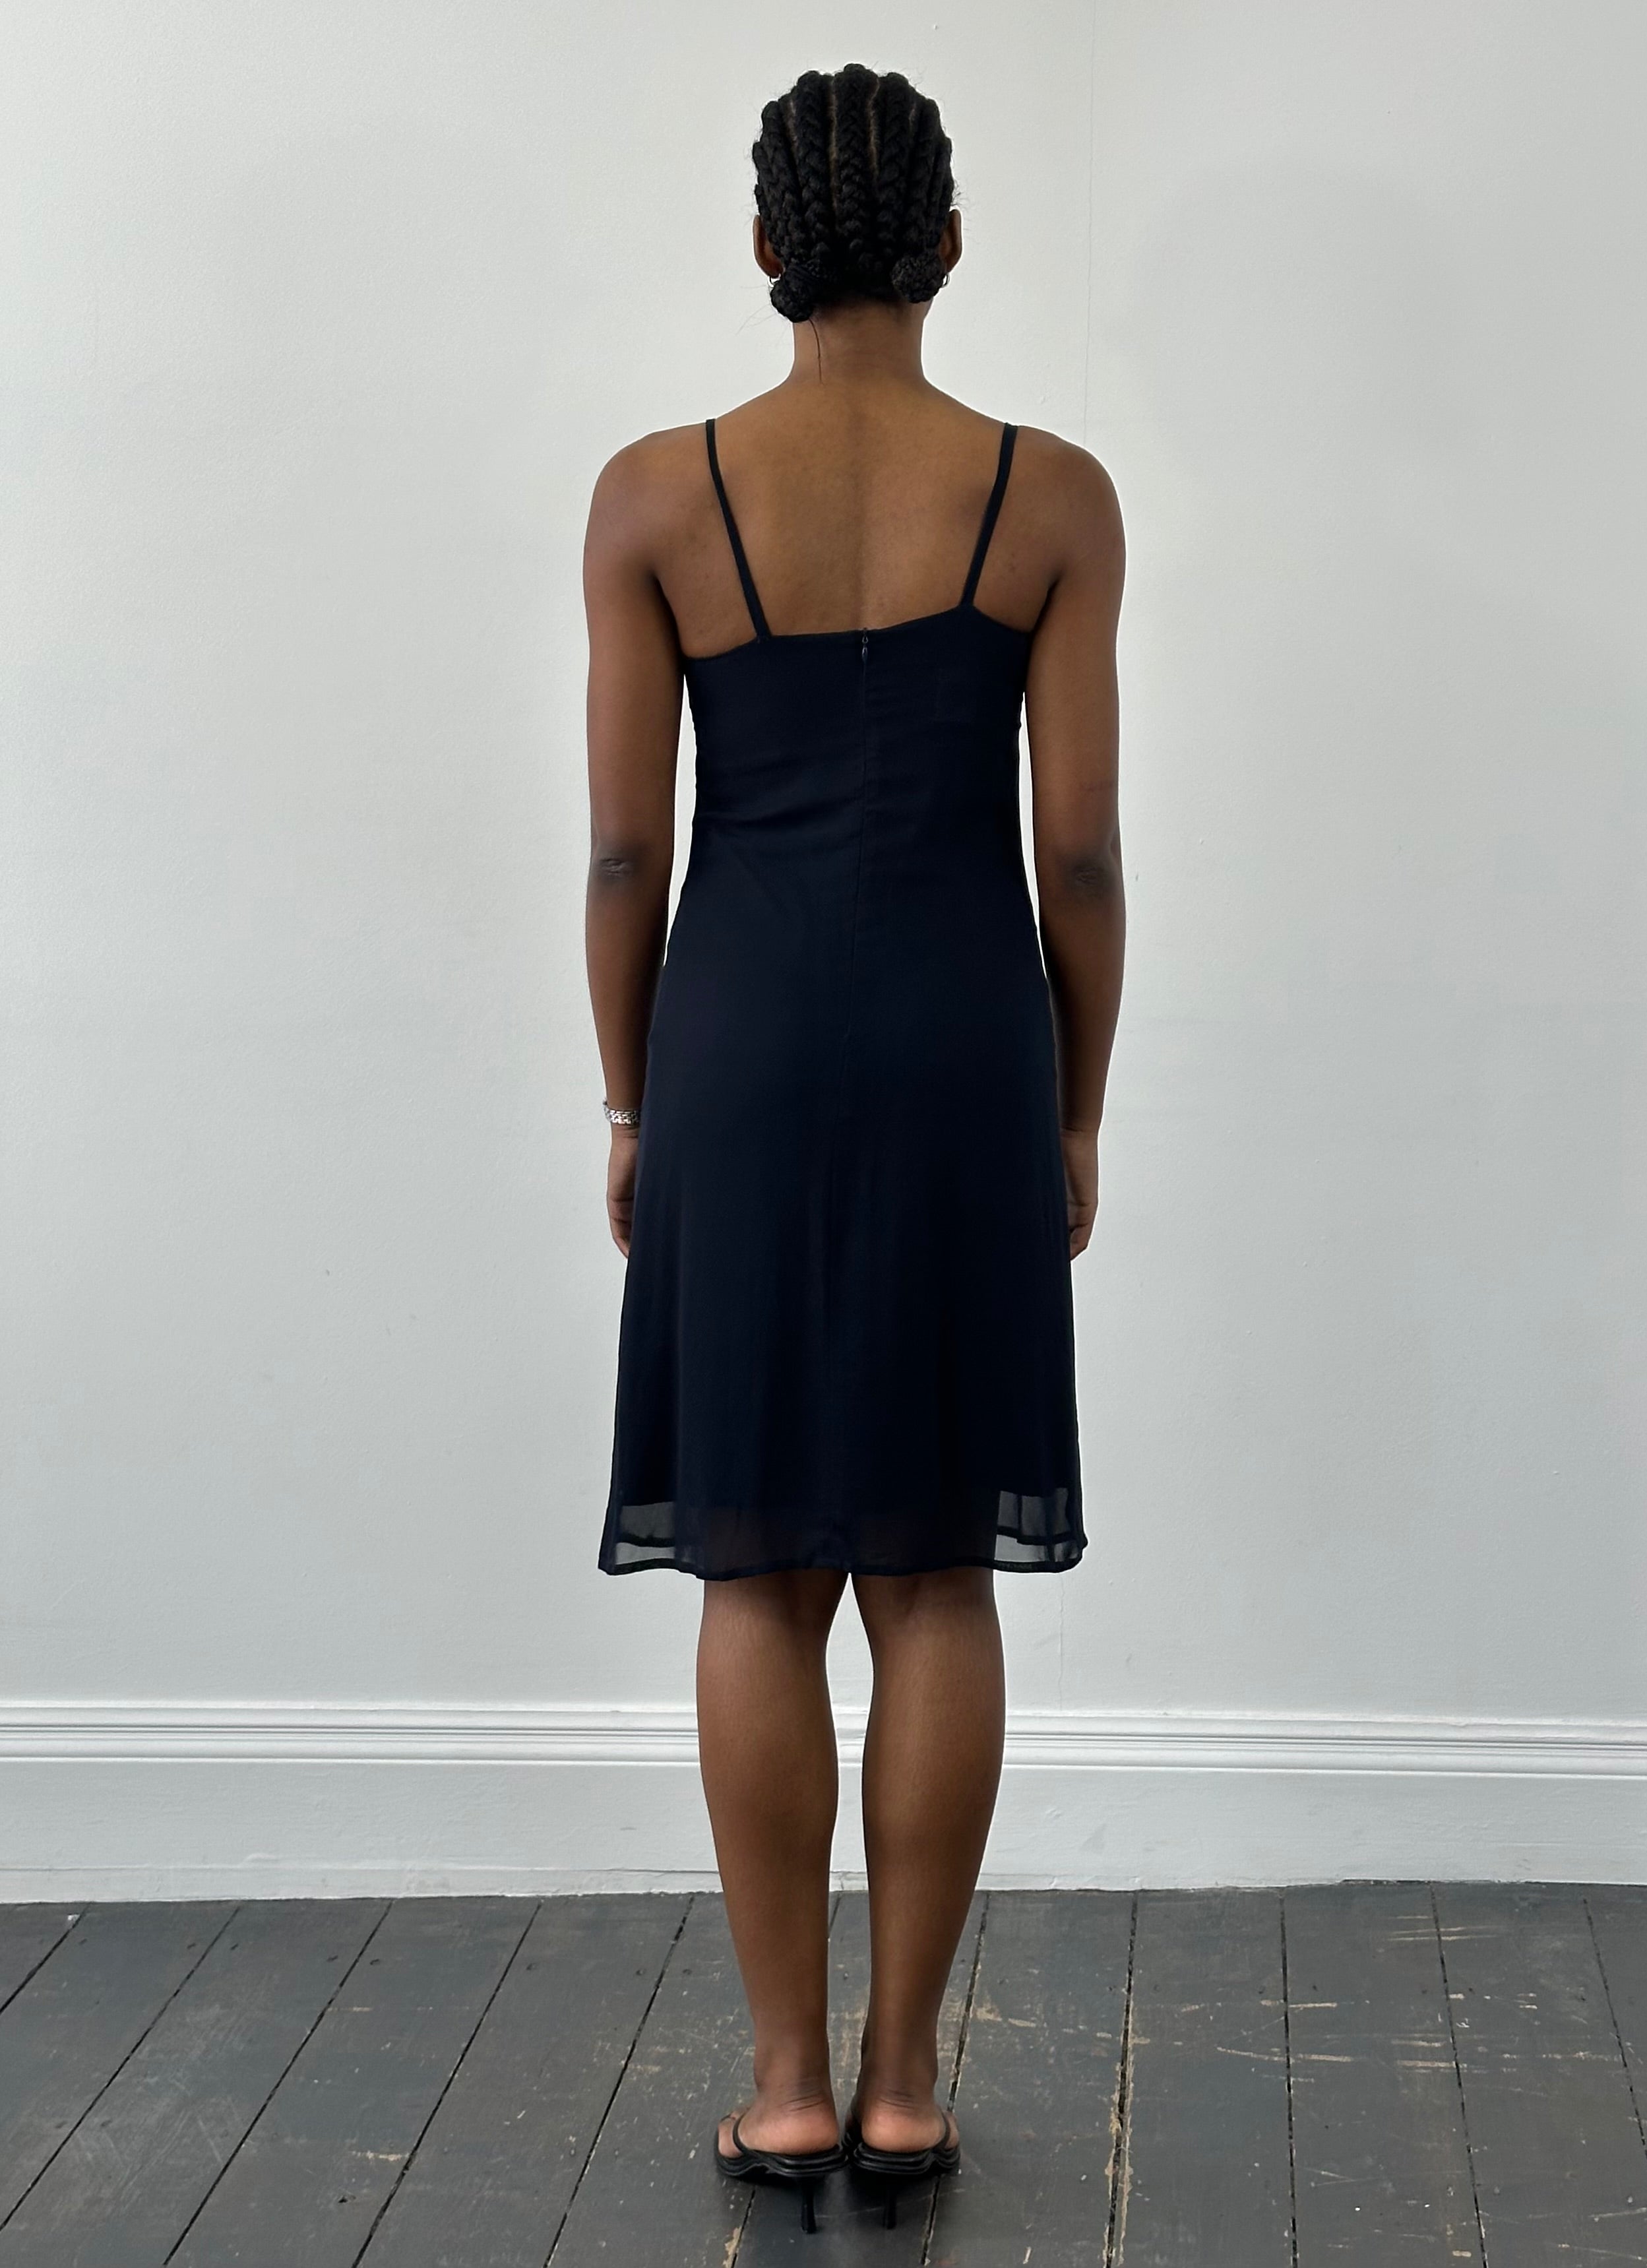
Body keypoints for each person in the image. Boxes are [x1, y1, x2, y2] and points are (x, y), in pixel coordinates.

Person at [582, 61, 1125, 2229]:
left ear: (762, 247)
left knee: (753, 1566)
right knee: (930, 1571)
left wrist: (630, 1100)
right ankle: (906, 2088)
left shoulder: (655, 495)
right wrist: (1073, 1104)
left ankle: (786, 2087)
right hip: (960, 1047)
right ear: (949, 243)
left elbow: (626, 853)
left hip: (734, 1047)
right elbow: (1078, 858)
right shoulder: (1049, 495)